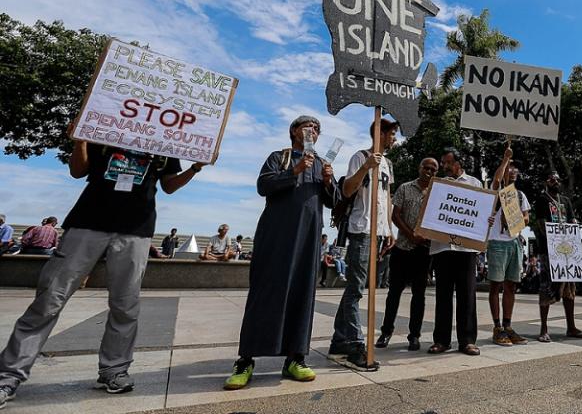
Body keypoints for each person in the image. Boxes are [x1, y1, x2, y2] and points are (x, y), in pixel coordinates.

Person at [0, 134, 202, 407]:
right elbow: (77, 170)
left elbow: (169, 186)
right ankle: (9, 375)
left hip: (136, 229)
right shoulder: (102, 131)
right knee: (49, 300)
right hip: (88, 222)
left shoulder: (163, 143)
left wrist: (194, 168)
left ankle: (114, 370)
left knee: (125, 305)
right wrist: (80, 140)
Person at [224, 115, 338, 390]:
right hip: (276, 237)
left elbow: (334, 202)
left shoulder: (322, 163)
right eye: (307, 126)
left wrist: (329, 181)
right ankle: (246, 359)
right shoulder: (280, 157)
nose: (313, 130)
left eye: (317, 128)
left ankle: (295, 358)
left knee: (302, 294)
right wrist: (296, 171)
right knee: (265, 293)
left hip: (308, 241)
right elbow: (264, 186)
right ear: (294, 131)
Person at [329, 119, 397, 370]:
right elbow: (347, 190)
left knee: (356, 288)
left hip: (378, 232)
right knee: (356, 288)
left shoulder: (388, 164)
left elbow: (387, 197)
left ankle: (339, 341)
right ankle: (356, 344)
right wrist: (367, 166)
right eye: (392, 134)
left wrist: (389, 228)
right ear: (380, 134)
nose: (394, 139)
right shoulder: (360, 157)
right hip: (361, 230)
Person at [376, 157, 438, 351]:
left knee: (419, 295)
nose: (429, 171)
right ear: (419, 168)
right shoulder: (404, 188)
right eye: (426, 167)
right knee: (394, 293)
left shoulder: (438, 193)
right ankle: (386, 332)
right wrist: (411, 235)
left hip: (424, 251)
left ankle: (414, 336)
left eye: (433, 169)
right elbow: (396, 215)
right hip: (402, 248)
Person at [428, 148, 481, 356]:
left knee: (467, 295)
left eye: (447, 162)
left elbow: (481, 211)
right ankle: (441, 341)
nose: (444, 166)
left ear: (458, 163)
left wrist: (487, 220)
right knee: (443, 296)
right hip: (442, 247)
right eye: (442, 163)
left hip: (466, 248)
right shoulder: (438, 186)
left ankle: (467, 340)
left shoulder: (475, 184)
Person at [530, 171, 582, 343]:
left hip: (568, 253)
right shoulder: (542, 199)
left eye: (557, 179)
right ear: (546, 182)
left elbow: (572, 221)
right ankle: (544, 328)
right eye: (551, 178)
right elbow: (541, 224)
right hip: (549, 251)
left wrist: (573, 231)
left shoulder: (566, 201)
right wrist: (554, 241)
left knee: (569, 289)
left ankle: (571, 327)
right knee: (547, 287)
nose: (555, 181)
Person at [487, 145, 531, 346]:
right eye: (509, 169)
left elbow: (526, 217)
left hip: (514, 243)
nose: (513, 172)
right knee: (496, 285)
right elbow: (497, 180)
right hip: (497, 243)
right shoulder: (496, 191)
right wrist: (505, 159)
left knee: (511, 285)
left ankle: (508, 325)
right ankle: (497, 327)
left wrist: (517, 219)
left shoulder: (520, 195)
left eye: (515, 169)